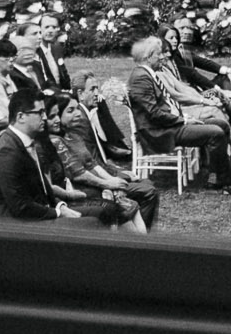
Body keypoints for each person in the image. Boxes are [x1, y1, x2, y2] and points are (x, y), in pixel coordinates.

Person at [0, 87, 116, 224]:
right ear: (21, 117)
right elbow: (20, 207)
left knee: (104, 211)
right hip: (17, 227)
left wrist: (60, 206)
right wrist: (59, 213)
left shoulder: (26, 142)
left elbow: (42, 190)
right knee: (91, 223)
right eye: (40, 112)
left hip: (38, 213)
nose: (45, 117)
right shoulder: (6, 154)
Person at [127, 35, 231, 193]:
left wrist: (184, 118)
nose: (163, 56)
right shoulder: (140, 79)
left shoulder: (148, 74)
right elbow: (155, 115)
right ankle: (224, 184)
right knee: (216, 132)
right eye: (159, 54)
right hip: (159, 132)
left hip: (168, 124)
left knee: (222, 124)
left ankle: (220, 178)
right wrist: (184, 120)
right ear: (148, 57)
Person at [47, 92, 160, 231]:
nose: (78, 114)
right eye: (70, 111)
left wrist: (113, 180)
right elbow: (79, 174)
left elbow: (92, 163)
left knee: (143, 190)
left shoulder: (74, 135)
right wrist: (109, 184)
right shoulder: (57, 141)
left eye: (77, 109)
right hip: (83, 189)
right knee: (144, 194)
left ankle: (143, 240)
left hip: (97, 181)